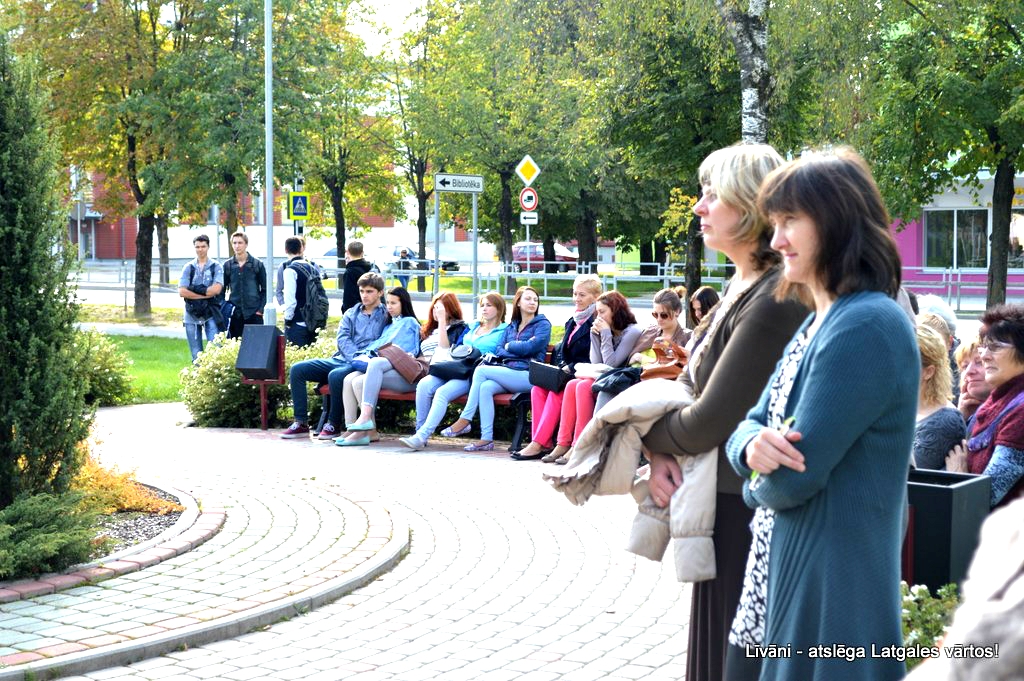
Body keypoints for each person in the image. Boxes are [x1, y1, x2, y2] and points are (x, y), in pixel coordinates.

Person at [724, 148, 917, 681]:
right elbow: (747, 425)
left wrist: (751, 483)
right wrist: (749, 448)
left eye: (790, 222)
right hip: (783, 580)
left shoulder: (866, 325)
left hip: (835, 597)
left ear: (836, 223)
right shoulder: (819, 321)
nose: (776, 239)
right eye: (774, 222)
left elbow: (789, 483)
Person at [640, 144, 807, 681]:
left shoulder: (776, 295)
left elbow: (710, 418)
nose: (699, 206)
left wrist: (648, 432)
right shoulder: (742, 285)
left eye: (713, 194)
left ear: (751, 205)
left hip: (747, 510)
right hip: (724, 498)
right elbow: (688, 384)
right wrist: (656, 440)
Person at [533, 291, 641, 464]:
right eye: (597, 312)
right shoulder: (605, 329)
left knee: (582, 386)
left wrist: (604, 334)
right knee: (573, 384)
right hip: (604, 378)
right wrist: (595, 336)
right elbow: (596, 362)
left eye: (603, 311)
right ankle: (563, 443)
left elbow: (611, 364)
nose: (599, 316)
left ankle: (579, 445)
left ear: (616, 310)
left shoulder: (632, 331)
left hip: (619, 381)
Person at [441, 286, 551, 452]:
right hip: (508, 372)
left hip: (529, 375)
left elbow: (532, 347)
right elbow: (500, 349)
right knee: (486, 387)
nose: (532, 302)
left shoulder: (542, 325)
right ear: (518, 303)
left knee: (481, 370)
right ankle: (486, 439)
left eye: (535, 299)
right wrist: (515, 349)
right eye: (528, 299)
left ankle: (465, 419)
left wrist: (511, 346)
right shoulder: (512, 326)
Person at [280, 272, 387, 439]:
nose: (364, 295)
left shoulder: (386, 316)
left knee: (336, 375)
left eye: (369, 291)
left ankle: (333, 425)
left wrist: (360, 360)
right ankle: (300, 422)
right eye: (362, 291)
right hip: (343, 358)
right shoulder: (352, 313)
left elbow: (384, 341)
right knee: (297, 370)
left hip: (364, 363)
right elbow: (343, 338)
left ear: (380, 292)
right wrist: (354, 358)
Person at [400, 292, 508, 450]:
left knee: (442, 392)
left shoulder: (504, 330)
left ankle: (422, 435)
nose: (484, 308)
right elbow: (455, 347)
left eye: (489, 305)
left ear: (499, 309)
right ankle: (419, 433)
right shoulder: (473, 327)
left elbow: (502, 352)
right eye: (482, 305)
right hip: (455, 367)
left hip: (472, 374)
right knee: (424, 384)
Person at [513, 274, 602, 460]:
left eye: (582, 295)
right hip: (567, 374)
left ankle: (537, 443)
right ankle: (543, 443)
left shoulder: (597, 322)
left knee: (556, 394)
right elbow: (563, 352)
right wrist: (561, 367)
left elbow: (592, 357)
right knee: (538, 389)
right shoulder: (573, 320)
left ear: (595, 297)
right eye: (575, 293)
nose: (576, 298)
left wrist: (568, 368)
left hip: (583, 375)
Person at [946, 305, 1024, 509]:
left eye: (995, 347)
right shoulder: (1000, 398)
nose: (984, 355)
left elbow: (983, 498)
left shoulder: (1020, 411)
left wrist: (958, 477)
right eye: (984, 346)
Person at [336, 287, 424, 446]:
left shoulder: (409, 322)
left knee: (362, 377)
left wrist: (375, 355)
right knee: (350, 380)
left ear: (403, 304)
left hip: (401, 371)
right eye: (388, 303)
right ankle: (355, 428)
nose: (389, 306)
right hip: (385, 366)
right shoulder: (390, 324)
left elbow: (404, 350)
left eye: (394, 303)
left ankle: (366, 427)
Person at [592, 287, 693, 414]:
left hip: (661, 387)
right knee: (606, 390)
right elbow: (630, 359)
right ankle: (595, 433)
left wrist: (642, 358)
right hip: (636, 380)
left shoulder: (687, 337)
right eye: (655, 314)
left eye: (664, 315)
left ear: (677, 311)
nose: (659, 319)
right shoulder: (650, 332)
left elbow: (676, 368)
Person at [913, 324, 966, 470]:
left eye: (906, 363)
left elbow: (907, 477)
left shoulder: (944, 420)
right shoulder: (897, 407)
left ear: (928, 372)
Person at [178, 234, 224, 362]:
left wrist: (193, 289)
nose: (200, 249)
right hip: (191, 313)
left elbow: (216, 290)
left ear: (208, 247)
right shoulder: (188, 267)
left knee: (215, 350)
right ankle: (199, 380)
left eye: (203, 246)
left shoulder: (216, 266)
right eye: (197, 247)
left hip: (210, 312)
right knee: (196, 354)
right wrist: (205, 293)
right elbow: (182, 291)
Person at [222, 230, 267, 339]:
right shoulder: (228, 265)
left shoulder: (257, 264)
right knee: (235, 347)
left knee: (256, 346)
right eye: (234, 243)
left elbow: (266, 290)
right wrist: (225, 308)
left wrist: (260, 310)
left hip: (254, 313)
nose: (237, 246)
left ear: (246, 244)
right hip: (235, 313)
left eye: (240, 243)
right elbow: (221, 290)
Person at [280, 236, 320, 348]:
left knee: (295, 358)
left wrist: (287, 320)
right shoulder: (313, 268)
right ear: (301, 249)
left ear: (286, 250)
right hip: (313, 320)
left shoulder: (290, 270)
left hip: (297, 321)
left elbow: (290, 299)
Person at [342, 241, 373, 312]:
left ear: (348, 252)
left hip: (354, 311)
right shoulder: (368, 270)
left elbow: (348, 297)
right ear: (362, 253)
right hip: (368, 308)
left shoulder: (350, 272)